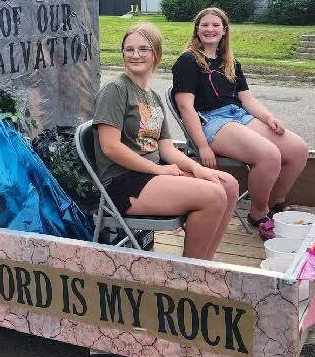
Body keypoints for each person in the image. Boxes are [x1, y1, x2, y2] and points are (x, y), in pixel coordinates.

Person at [92, 22, 239, 260]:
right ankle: (188, 275)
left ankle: (204, 264)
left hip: (152, 175)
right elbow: (111, 147)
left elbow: (166, 148)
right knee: (212, 196)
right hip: (123, 183)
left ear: (156, 54)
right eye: (129, 50)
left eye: (143, 49)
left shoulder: (153, 97)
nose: (135, 55)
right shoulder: (115, 90)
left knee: (228, 185)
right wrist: (159, 170)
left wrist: (198, 169)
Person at [171, 7, 309, 239]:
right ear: (196, 29)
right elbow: (186, 107)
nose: (210, 29)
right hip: (210, 120)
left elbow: (247, 99)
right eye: (204, 25)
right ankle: (258, 214)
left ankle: (276, 202)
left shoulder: (229, 61)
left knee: (298, 149)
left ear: (224, 30)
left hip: (238, 115)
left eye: (216, 25)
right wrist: (202, 146)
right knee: (269, 155)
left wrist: (268, 117)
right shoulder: (187, 61)